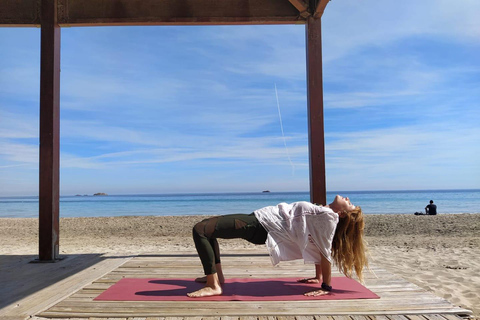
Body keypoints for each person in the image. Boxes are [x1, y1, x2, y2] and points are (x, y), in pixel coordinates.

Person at [187, 195, 368, 298]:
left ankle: (214, 286)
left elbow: (324, 250)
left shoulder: (329, 217)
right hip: (260, 220)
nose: (347, 198)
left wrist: (326, 286)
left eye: (350, 203)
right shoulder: (324, 212)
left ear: (342, 214)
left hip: (261, 226)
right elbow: (315, 240)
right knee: (206, 227)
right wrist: (317, 276)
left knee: (200, 230)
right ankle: (217, 277)